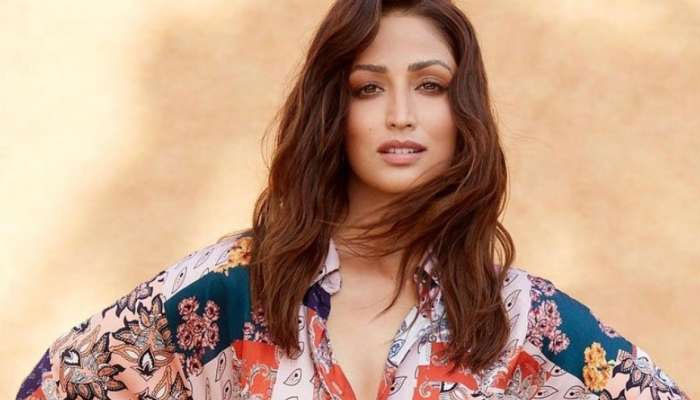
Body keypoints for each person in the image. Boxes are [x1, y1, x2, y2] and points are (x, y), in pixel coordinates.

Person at [16, 1, 691, 399]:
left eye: (429, 86)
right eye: (368, 88)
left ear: (462, 114)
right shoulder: (229, 291)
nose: (400, 114)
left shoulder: (520, 319)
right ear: (332, 114)